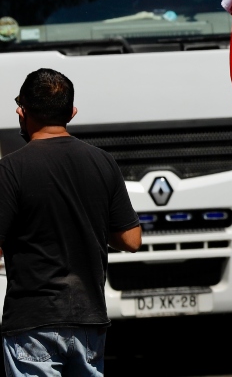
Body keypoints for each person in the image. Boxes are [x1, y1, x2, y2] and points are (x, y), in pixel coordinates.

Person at [0, 68, 141, 377]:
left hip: (32, 321)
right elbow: (131, 240)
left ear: (21, 112)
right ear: (72, 112)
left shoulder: (9, 170)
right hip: (88, 320)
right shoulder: (102, 161)